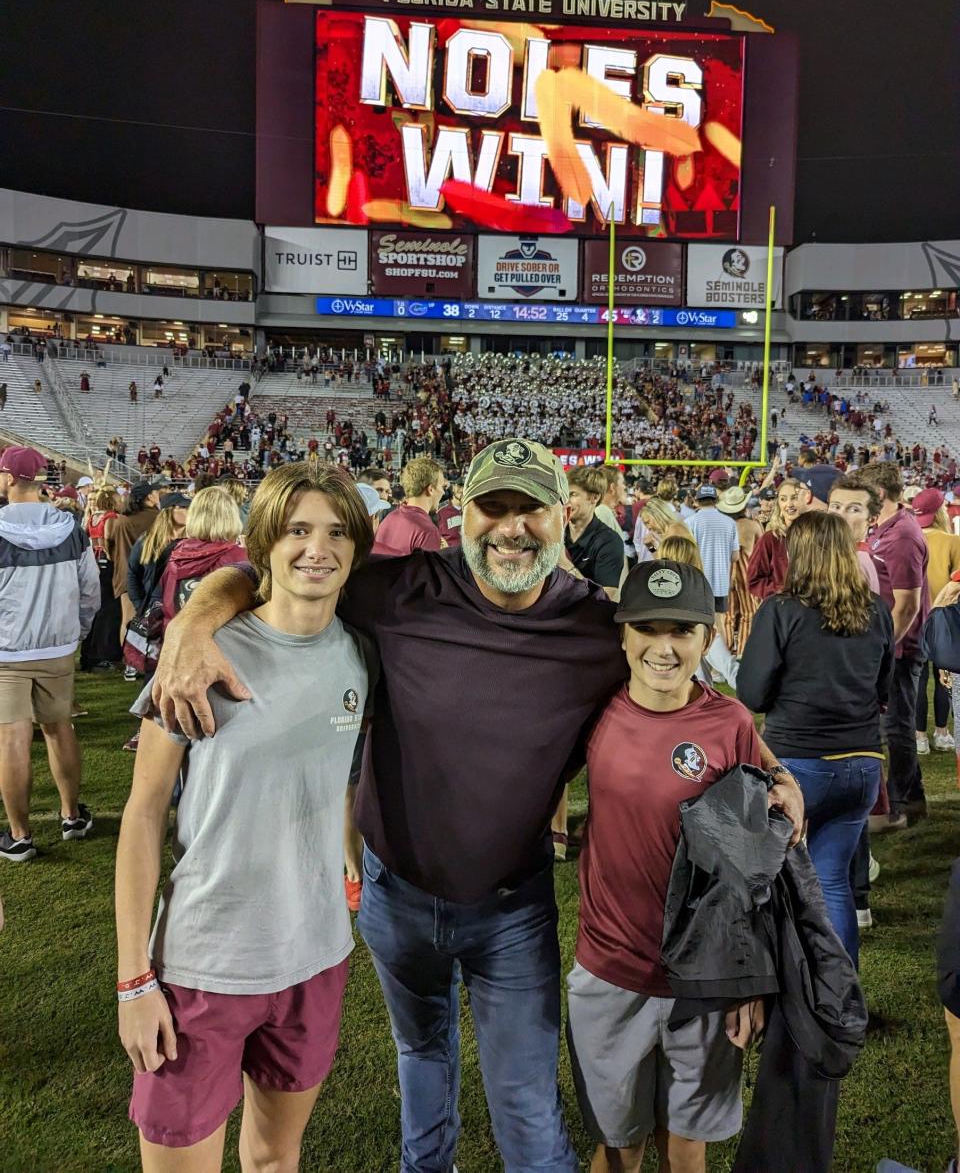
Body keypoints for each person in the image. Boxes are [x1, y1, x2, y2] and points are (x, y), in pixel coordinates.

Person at [150, 437, 804, 1173]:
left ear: (566, 516)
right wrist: (194, 619)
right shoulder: (399, 588)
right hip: (396, 892)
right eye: (495, 505)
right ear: (463, 512)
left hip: (510, 906)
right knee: (420, 1059)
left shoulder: (597, 625)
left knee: (526, 1106)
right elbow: (265, 572)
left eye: (532, 508)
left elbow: (685, 688)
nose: (512, 526)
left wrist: (769, 765)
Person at [115, 463, 373, 1168]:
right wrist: (133, 978)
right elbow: (141, 817)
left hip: (315, 955)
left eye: (335, 531)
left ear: (356, 547)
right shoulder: (201, 656)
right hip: (204, 963)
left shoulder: (361, 653)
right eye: (297, 529)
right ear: (263, 541)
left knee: (274, 1159)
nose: (316, 548)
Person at [568, 560, 769, 1173]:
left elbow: (747, 863)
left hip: (702, 981)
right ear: (623, 636)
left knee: (686, 1149)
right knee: (619, 1147)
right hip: (611, 971)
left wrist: (744, 982)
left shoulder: (729, 722)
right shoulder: (592, 710)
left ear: (707, 639)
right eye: (647, 629)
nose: (664, 647)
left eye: (681, 631)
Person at [738, 512, 894, 967]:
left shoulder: (782, 610)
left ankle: (799, 999)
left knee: (780, 884)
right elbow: (883, 690)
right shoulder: (875, 610)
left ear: (798, 555)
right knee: (832, 881)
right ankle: (840, 997)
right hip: (862, 763)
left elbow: (751, 692)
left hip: (799, 763)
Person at [0, 446, 100, 862]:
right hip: (57, 647)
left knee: (12, 739)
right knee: (60, 730)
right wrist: (76, 632)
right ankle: (71, 815)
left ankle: (20, 836)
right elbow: (89, 589)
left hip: (7, 652)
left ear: (8, 478)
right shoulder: (71, 527)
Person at [860, 461, 931, 828]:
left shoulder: (901, 535)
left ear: (880, 495)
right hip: (895, 642)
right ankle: (914, 797)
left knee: (896, 727)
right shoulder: (889, 529)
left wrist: (886, 648)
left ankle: (900, 804)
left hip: (901, 646)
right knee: (895, 724)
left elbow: (907, 603)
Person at [912, 487, 960, 752]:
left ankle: (919, 737)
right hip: (945, 618)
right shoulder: (952, 541)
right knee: (945, 677)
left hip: (915, 617)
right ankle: (941, 733)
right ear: (941, 510)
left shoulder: (910, 538)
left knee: (917, 680)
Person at [158, 488, 246, 629]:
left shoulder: (177, 552)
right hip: (221, 643)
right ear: (231, 516)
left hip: (177, 637)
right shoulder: (240, 558)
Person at [108, 481, 163, 666]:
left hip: (124, 574)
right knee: (156, 620)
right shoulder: (158, 518)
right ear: (149, 496)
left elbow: (110, 547)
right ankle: (153, 660)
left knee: (128, 620)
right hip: (151, 574)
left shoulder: (122, 519)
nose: (159, 493)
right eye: (156, 491)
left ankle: (130, 664)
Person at [562, 465, 626, 601]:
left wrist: (565, 564)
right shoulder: (557, 531)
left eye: (573, 494)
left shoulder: (609, 541)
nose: (565, 501)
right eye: (564, 494)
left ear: (594, 497)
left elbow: (606, 597)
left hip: (584, 619)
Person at [80, 484, 123, 672]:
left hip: (95, 562)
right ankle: (102, 653)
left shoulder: (93, 517)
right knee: (108, 610)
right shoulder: (110, 517)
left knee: (97, 609)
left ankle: (88, 653)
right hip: (107, 563)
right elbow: (107, 540)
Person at [717, 485, 763, 657]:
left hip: (726, 568)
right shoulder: (753, 525)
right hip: (746, 568)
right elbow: (760, 552)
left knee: (727, 614)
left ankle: (726, 652)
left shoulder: (722, 525)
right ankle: (744, 651)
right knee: (749, 612)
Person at [747, 479, 808, 601]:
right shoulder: (770, 539)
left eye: (794, 498)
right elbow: (753, 580)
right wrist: (782, 592)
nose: (789, 504)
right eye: (783, 499)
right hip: (781, 609)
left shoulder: (818, 536)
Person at [371, 456, 444, 556]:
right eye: (442, 486)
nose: (443, 492)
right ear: (430, 489)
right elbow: (426, 571)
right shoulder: (427, 531)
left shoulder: (389, 518)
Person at [686, 483, 739, 618]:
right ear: (716, 500)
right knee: (719, 623)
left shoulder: (690, 522)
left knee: (699, 624)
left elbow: (686, 554)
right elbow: (735, 556)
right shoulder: (730, 522)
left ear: (697, 501)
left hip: (697, 583)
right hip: (721, 583)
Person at [436, 478, 465, 548]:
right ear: (453, 487)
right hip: (449, 555)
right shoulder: (441, 509)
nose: (462, 490)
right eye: (459, 486)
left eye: (465, 487)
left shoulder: (471, 509)